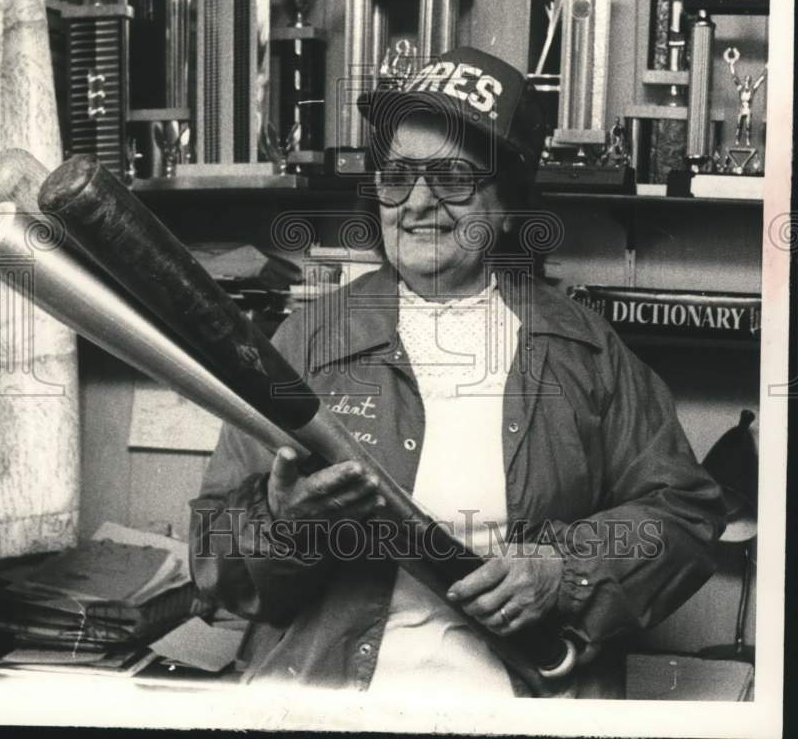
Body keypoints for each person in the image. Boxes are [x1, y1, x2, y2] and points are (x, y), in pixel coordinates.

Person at [190, 46, 725, 697]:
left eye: (450, 177)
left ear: (506, 204)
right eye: (397, 176)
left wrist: (565, 569)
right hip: (330, 705)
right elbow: (214, 562)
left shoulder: (583, 349)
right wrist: (284, 524)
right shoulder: (307, 338)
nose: (416, 202)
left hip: (516, 706)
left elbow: (685, 514)